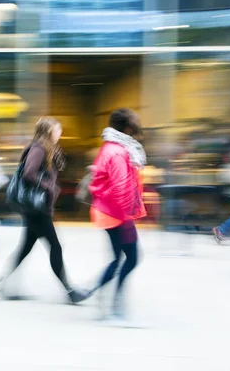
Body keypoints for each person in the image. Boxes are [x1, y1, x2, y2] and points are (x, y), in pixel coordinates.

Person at [1, 117, 89, 304]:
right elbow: (29, 172)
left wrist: (55, 156)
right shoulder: (38, 148)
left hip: (36, 207)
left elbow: (55, 167)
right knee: (55, 246)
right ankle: (70, 291)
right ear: (49, 131)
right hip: (36, 208)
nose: (60, 133)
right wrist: (49, 186)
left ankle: (6, 285)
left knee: (25, 248)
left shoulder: (46, 148)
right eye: (58, 130)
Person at [88, 108, 147, 321]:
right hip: (116, 213)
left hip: (109, 211)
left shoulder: (112, 147)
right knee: (131, 257)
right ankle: (113, 300)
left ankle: (101, 293)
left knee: (118, 258)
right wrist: (126, 219)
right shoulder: (119, 151)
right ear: (128, 128)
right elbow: (121, 187)